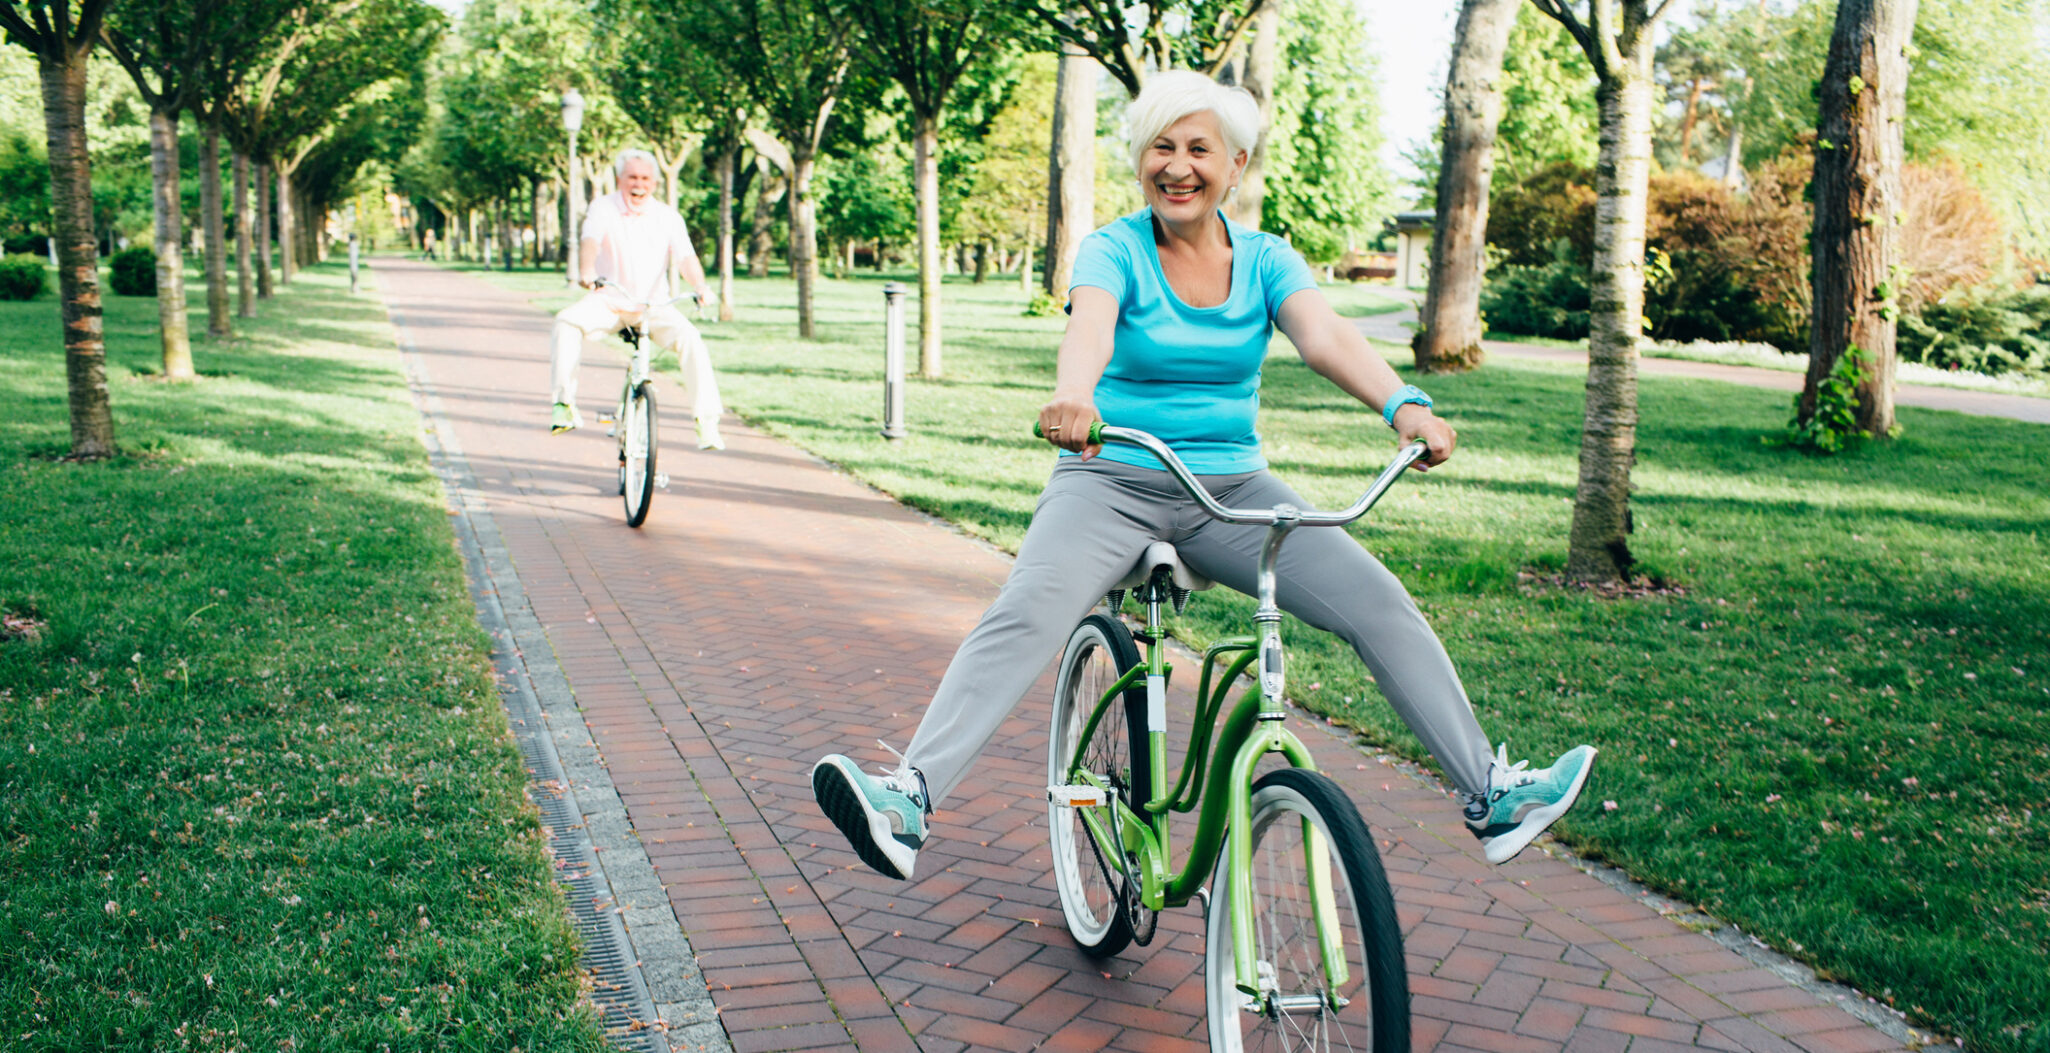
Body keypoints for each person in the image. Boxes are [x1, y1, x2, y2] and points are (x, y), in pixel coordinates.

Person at [811, 71, 1596, 881]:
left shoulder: (1266, 260)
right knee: (1027, 610)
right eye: (1161, 147)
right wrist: (1075, 395)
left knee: (1376, 600)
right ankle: (908, 798)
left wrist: (1404, 405)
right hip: (1108, 478)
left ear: (1236, 165)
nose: (1178, 166)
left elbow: (1325, 337)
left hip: (1232, 494)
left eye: (1198, 149)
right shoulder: (1114, 249)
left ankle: (1493, 794)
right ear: (1139, 160)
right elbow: (1090, 326)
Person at [549, 148, 726, 450]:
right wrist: (587, 271)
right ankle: (564, 405)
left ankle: (706, 422)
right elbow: (590, 240)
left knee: (691, 339)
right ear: (620, 179)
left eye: (645, 178)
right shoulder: (603, 208)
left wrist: (700, 286)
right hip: (608, 301)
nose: (638, 184)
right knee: (565, 322)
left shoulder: (667, 217)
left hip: (653, 306)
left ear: (654, 182)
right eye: (632, 177)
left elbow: (685, 256)